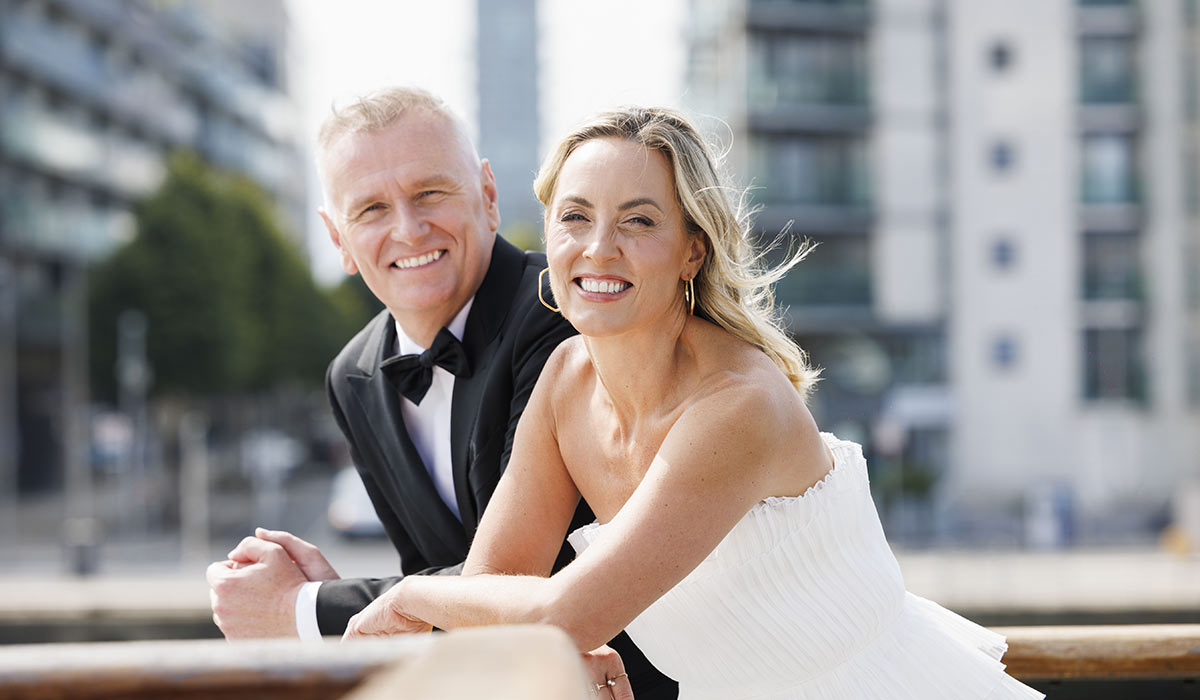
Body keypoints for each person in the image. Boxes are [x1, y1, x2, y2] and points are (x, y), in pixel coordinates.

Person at [341, 106, 1046, 700]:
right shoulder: (564, 378)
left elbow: (561, 610)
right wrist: (561, 640)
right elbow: (498, 583)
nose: (599, 248)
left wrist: (409, 597)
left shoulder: (738, 404)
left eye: (639, 222)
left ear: (693, 251)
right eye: (575, 217)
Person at [205, 88, 676, 700]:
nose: (408, 229)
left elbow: (543, 575)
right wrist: (337, 601)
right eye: (371, 208)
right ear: (338, 238)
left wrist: (305, 608)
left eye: (430, 193)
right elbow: (429, 578)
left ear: (487, 196)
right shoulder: (352, 375)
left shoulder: (571, 310)